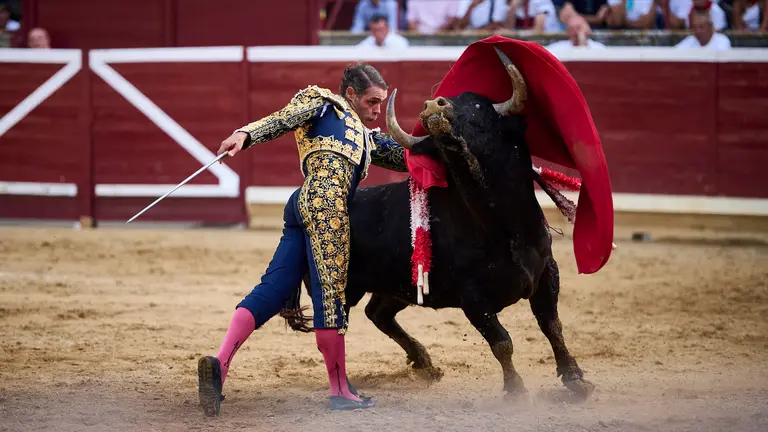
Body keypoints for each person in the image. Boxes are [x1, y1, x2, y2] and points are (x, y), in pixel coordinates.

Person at [197, 62, 410, 416]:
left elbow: (408, 157)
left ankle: (220, 364)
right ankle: (340, 390)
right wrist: (245, 134)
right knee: (331, 292)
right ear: (351, 94)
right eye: (372, 101)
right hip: (326, 204)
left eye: (382, 102)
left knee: (274, 287)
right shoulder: (322, 102)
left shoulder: (367, 138)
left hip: (300, 205)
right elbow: (284, 117)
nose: (377, 110)